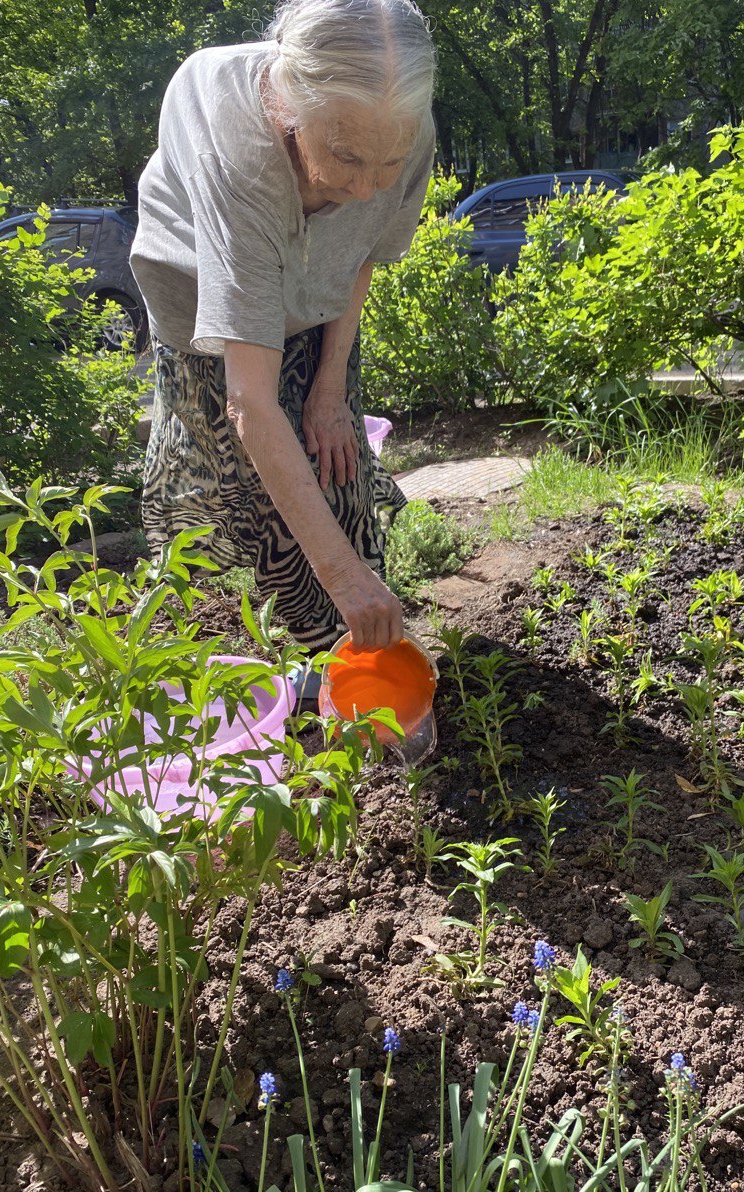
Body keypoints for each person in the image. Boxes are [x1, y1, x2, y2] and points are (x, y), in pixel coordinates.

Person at [131, 0, 435, 685]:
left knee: (336, 460)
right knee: (255, 505)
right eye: (346, 156)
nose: (364, 186)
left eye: (386, 162)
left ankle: (369, 659)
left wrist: (330, 389)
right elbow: (251, 403)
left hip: (317, 295)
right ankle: (303, 674)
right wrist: (338, 576)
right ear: (288, 111)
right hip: (202, 314)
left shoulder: (399, 124)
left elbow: (361, 253)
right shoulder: (234, 146)